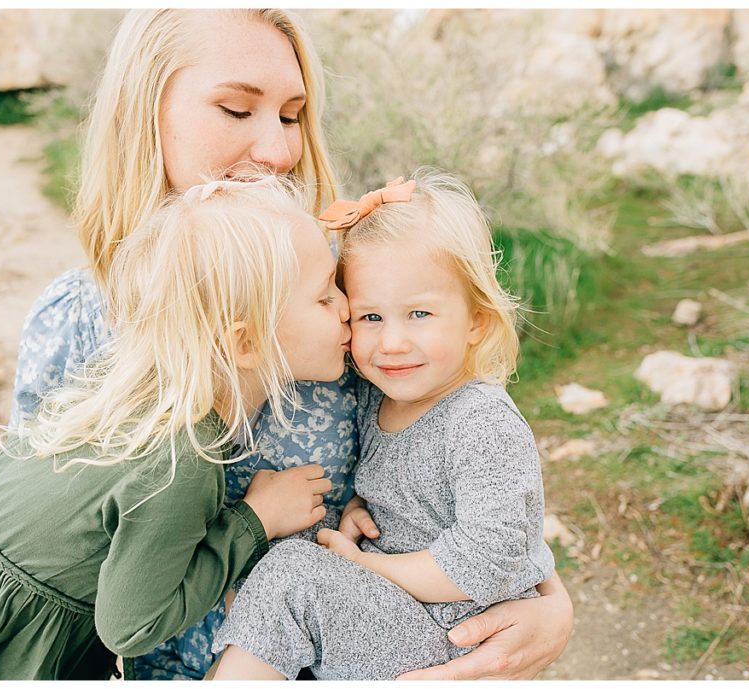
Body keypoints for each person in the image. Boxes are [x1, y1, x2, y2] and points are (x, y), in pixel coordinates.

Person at [0, 9, 573, 681]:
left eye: (293, 116)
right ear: (143, 111)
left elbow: (469, 457)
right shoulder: (79, 314)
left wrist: (551, 602)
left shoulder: (337, 294)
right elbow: (45, 514)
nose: (277, 148)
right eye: (237, 109)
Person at [0, 177, 351, 680]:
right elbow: (132, 627)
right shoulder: (180, 461)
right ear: (246, 343)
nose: (348, 308)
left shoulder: (127, 398)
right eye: (325, 298)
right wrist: (254, 520)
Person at [211, 171, 553, 680]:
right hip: (400, 615)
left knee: (291, 574)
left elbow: (490, 557)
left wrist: (370, 566)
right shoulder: (381, 398)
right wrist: (357, 509)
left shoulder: (480, 422)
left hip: (455, 631)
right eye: (370, 317)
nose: (391, 341)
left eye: (419, 313)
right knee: (286, 552)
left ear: (477, 320)